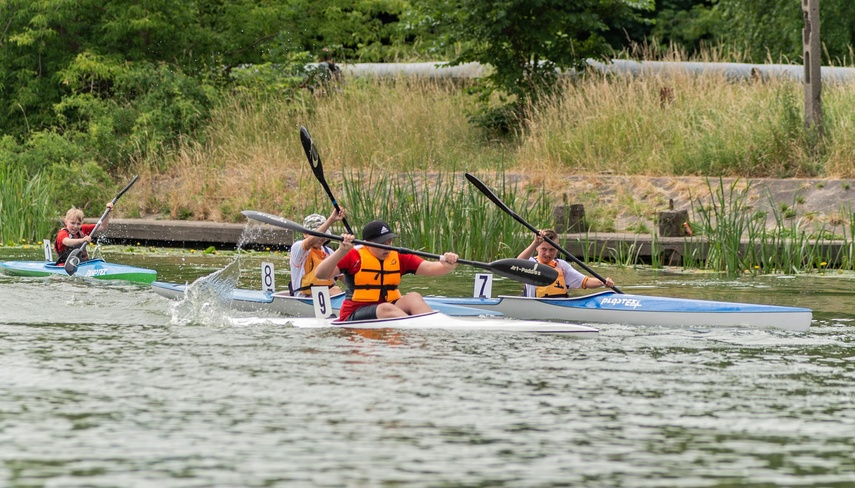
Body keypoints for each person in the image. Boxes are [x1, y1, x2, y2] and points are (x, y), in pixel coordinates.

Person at [313, 219, 459, 321]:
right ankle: (415, 328)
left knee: (413, 297)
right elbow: (321, 274)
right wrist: (341, 251)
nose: (387, 247)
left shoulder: (398, 256)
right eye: (381, 244)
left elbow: (431, 268)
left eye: (389, 242)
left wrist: (448, 265)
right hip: (355, 313)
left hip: (390, 308)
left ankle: (433, 328)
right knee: (385, 308)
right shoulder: (353, 256)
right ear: (366, 244)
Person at [517, 229, 615, 298]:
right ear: (537, 248)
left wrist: (603, 282)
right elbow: (518, 264)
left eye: (552, 250)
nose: (547, 253)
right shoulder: (531, 263)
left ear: (557, 249)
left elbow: (585, 281)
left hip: (560, 306)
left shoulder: (562, 266)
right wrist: (535, 243)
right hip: (537, 306)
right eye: (544, 249)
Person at [289, 208, 347, 297]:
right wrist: (331, 219)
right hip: (305, 297)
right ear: (305, 234)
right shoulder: (298, 248)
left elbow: (343, 277)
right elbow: (311, 241)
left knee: (337, 290)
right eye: (319, 234)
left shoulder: (329, 252)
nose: (321, 238)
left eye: (324, 235)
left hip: (328, 296)